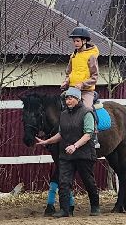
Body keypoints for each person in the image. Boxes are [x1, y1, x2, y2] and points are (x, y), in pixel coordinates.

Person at [35, 87, 100, 217]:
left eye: (70, 98)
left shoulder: (87, 113)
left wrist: (75, 146)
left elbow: (88, 134)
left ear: (77, 99)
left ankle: (95, 206)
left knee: (88, 181)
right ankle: (64, 209)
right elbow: (61, 134)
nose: (67, 101)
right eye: (66, 98)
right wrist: (47, 142)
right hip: (66, 154)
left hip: (84, 154)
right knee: (64, 181)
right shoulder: (64, 114)